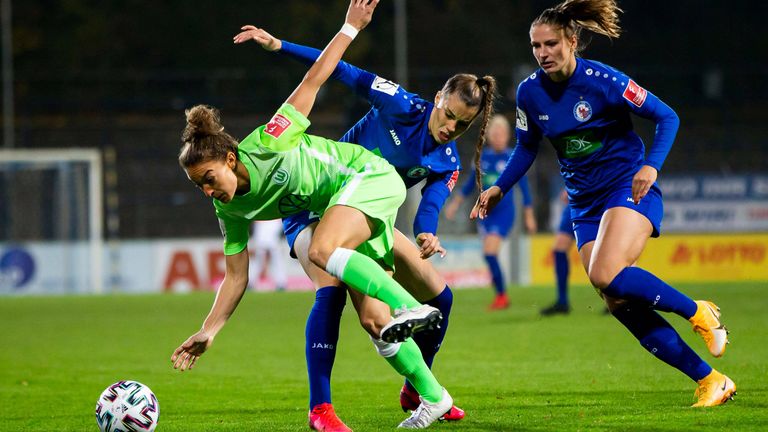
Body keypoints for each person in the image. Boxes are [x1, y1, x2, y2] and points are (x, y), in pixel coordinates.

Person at [171, 1, 456, 429]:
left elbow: (315, 78)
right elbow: (235, 276)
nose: (208, 191)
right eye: (200, 186)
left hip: (365, 177)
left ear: (230, 159)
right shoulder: (228, 208)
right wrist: (209, 330)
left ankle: (407, 308)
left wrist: (349, 28)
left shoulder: (271, 139)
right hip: (324, 211)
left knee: (326, 252)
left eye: (210, 178)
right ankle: (433, 395)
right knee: (374, 320)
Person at [471, 0, 735, 407]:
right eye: (536, 46)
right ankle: (709, 379)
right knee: (613, 297)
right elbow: (526, 148)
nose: (543, 53)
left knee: (608, 272)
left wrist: (652, 167)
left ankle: (698, 311)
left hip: (627, 189)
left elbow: (667, 116)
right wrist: (500, 187)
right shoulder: (529, 93)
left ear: (572, 41)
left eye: (551, 44)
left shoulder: (605, 81)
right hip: (584, 203)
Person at [242, 25, 496, 430]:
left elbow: (429, 206)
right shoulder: (397, 102)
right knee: (332, 289)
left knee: (439, 298)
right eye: (449, 115)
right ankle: (320, 409)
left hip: (369, 216)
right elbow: (340, 70)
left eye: (462, 125)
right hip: (320, 203)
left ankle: (420, 388)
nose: (450, 127)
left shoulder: (447, 161)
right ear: (438, 99)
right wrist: (280, 46)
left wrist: (427, 233)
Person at [444, 114, 536, 310]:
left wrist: (529, 216)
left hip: (504, 213)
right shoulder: (482, 157)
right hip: (485, 215)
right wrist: (455, 204)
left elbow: (525, 189)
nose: (498, 137)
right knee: (488, 255)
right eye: (495, 133)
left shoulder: (514, 157)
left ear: (508, 135)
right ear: (489, 136)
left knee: (490, 252)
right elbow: (470, 184)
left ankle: (502, 296)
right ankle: (500, 290)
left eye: (502, 133)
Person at [540, 189, 576, 315]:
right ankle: (562, 302)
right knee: (559, 249)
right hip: (576, 201)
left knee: (600, 251)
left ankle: (617, 298)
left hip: (595, 197)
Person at [249, 219, 287, 292]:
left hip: (274, 221)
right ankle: (250, 282)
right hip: (262, 222)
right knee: (259, 254)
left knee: (275, 254)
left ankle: (281, 283)